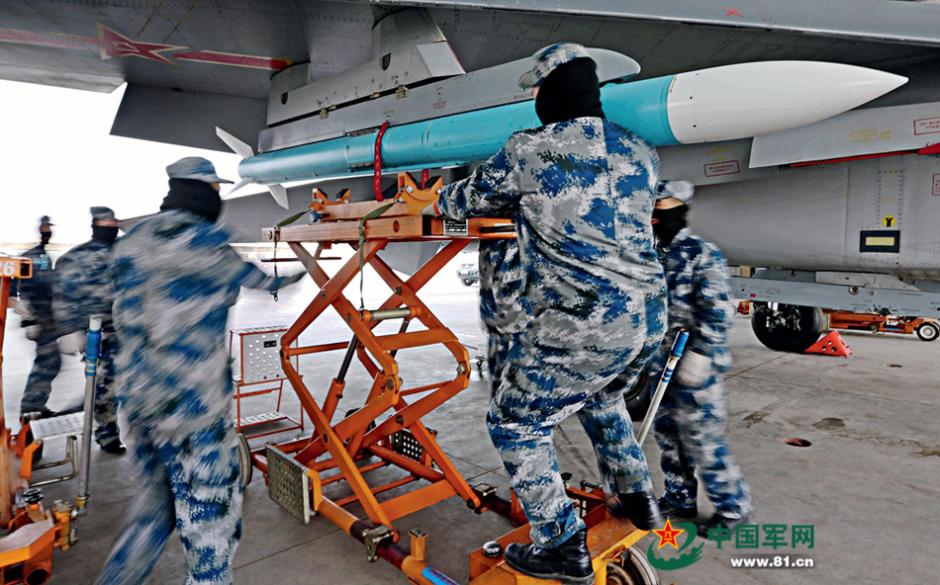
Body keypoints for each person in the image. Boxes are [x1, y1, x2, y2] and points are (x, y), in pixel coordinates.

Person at [432, 43, 666, 584]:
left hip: (580, 323)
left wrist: (435, 198)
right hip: (646, 320)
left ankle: (560, 543)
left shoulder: (529, 149)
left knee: (514, 420)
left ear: (551, 90)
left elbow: (465, 202)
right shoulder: (639, 151)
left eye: (536, 90)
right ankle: (638, 497)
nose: (534, 99)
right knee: (600, 395)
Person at [95, 156, 303, 585]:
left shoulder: (131, 242)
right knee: (210, 528)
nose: (220, 197)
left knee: (151, 517)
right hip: (195, 418)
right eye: (216, 189)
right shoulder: (208, 244)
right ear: (204, 190)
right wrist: (305, 257)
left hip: (139, 410)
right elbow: (270, 283)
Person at [647, 180, 753, 536]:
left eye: (667, 209)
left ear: (682, 211)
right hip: (659, 363)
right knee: (667, 437)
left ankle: (733, 509)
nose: (658, 217)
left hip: (695, 366)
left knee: (704, 441)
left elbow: (719, 311)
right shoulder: (650, 253)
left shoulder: (702, 253)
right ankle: (679, 498)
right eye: (655, 210)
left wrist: (702, 353)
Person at [54, 207, 125, 454]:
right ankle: (107, 435)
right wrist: (69, 330)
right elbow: (63, 296)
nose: (111, 227)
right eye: (107, 223)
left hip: (129, 331)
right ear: (95, 225)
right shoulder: (75, 258)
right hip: (98, 335)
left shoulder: (126, 252)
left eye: (114, 222)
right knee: (105, 387)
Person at [18, 215, 61, 420]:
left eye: (49, 228)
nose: (48, 231)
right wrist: (29, 319)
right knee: (47, 361)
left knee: (49, 362)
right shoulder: (30, 256)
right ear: (39, 230)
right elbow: (20, 291)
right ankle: (30, 407)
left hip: (49, 319)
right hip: (39, 319)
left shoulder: (45, 257)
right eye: (45, 228)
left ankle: (35, 404)